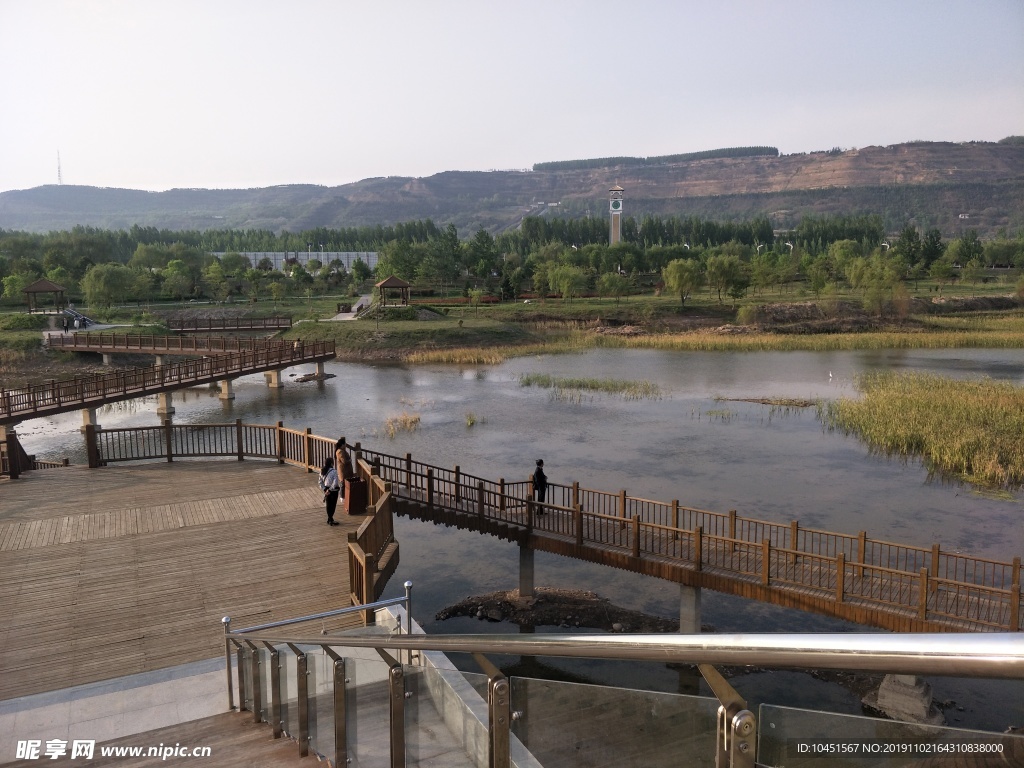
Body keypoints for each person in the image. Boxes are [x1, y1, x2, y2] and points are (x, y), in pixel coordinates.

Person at [319, 458, 341, 526]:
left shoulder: (322, 471)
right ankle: (330, 519)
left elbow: (320, 482)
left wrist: (325, 489)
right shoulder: (334, 471)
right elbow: (335, 483)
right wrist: (330, 489)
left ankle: (329, 519)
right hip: (333, 491)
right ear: (332, 463)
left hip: (326, 490)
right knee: (333, 505)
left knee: (328, 505)